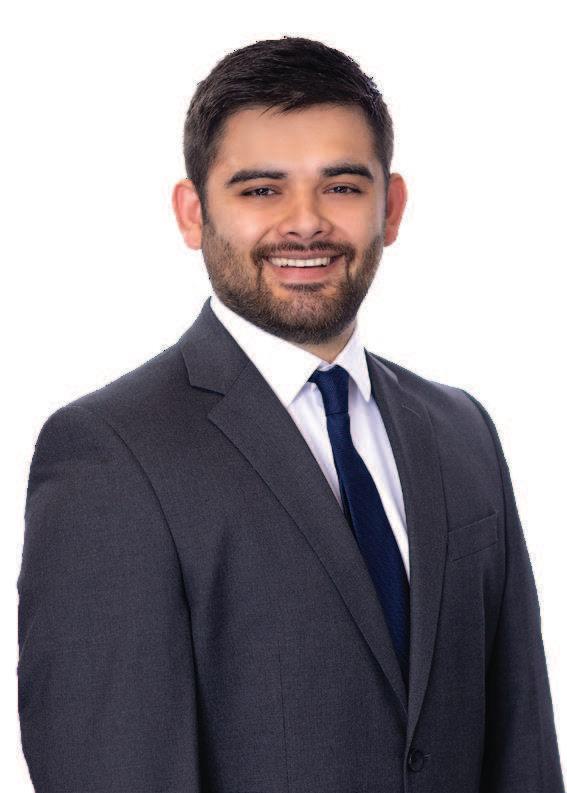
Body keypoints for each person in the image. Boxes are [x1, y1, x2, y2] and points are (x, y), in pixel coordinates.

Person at [17, 36, 564, 793]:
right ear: (193, 213)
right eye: (260, 190)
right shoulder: (110, 453)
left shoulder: (461, 431)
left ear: (391, 207)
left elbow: (522, 750)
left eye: (340, 186)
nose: (305, 223)